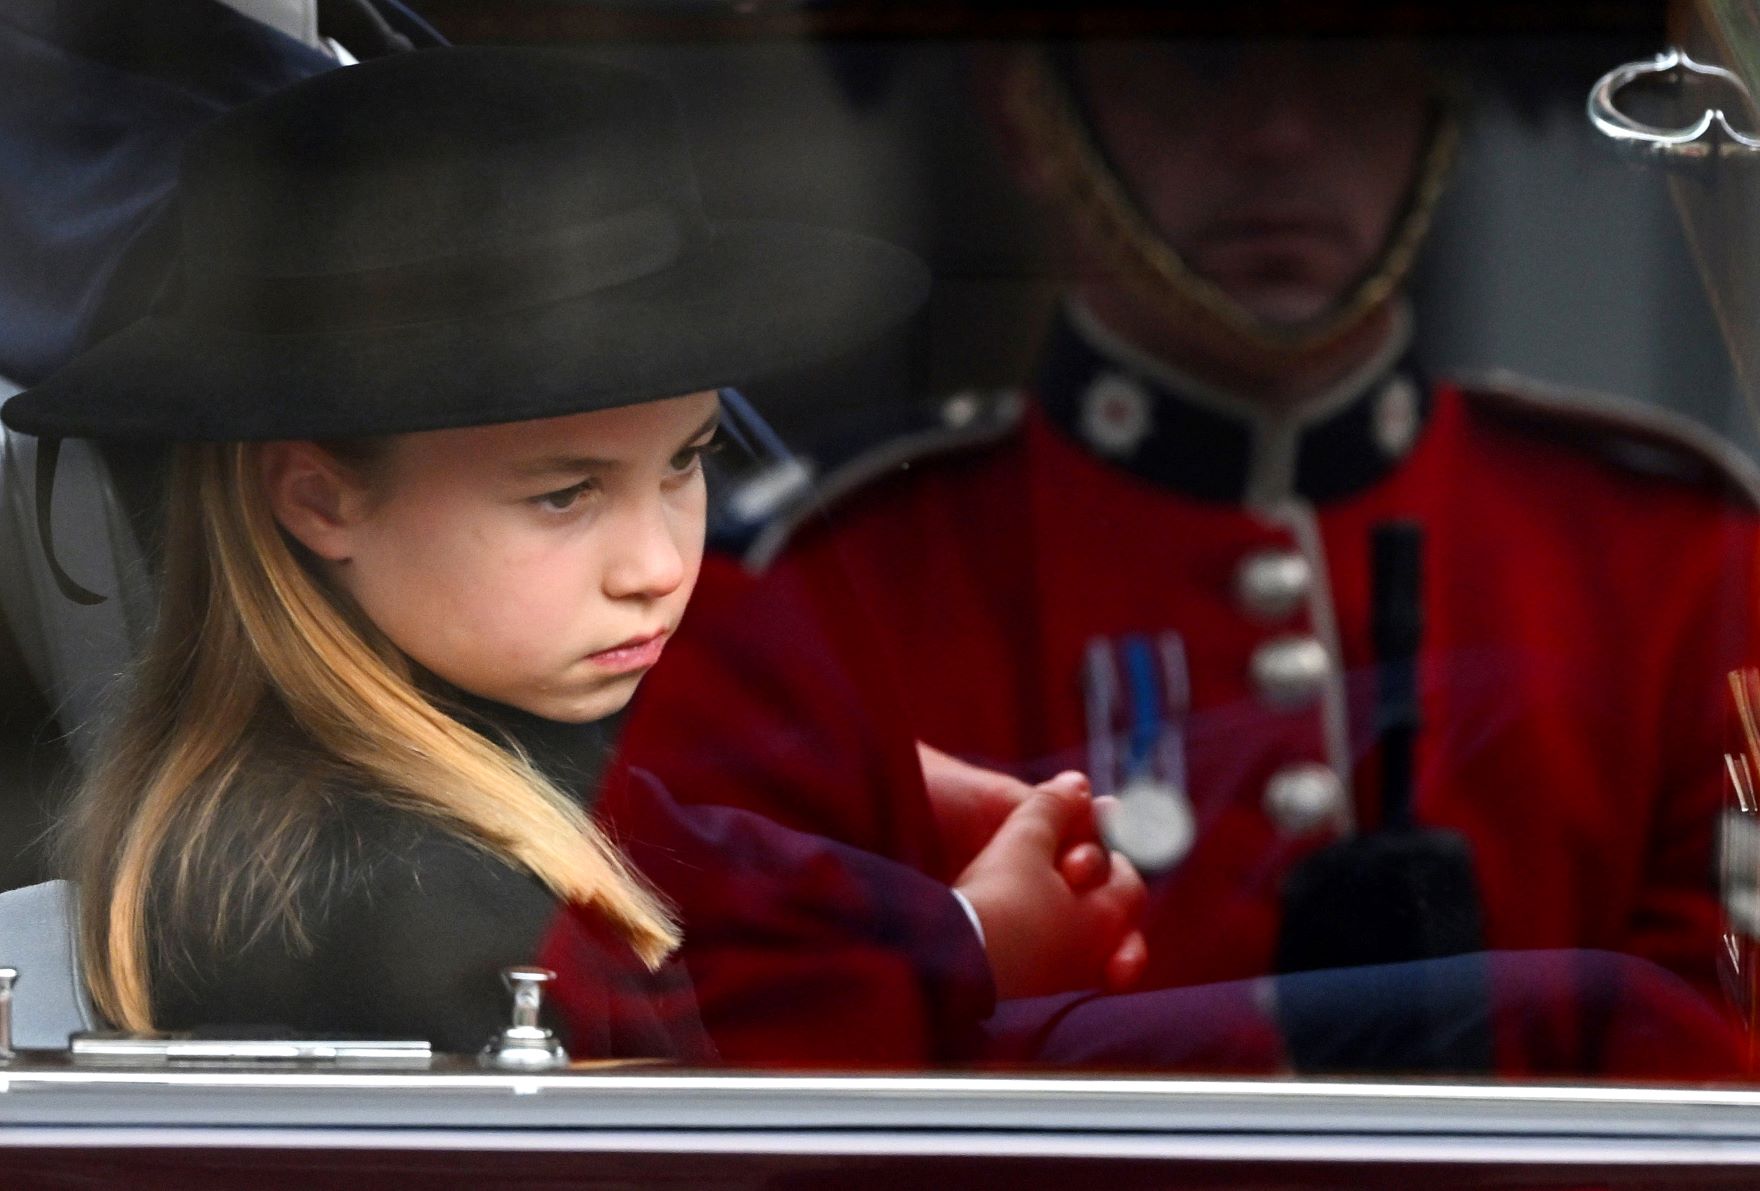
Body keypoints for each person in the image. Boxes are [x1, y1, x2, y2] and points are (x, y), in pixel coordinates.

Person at [0, 47, 1148, 1059]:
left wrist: (880, 792)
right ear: (318, 498)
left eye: (687, 461)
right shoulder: (401, 908)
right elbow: (715, 1098)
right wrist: (975, 941)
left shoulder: (463, 722)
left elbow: (673, 834)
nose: (655, 563)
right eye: (563, 496)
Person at [615, 28, 1760, 1018]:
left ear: (1436, 102)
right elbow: (759, 1060)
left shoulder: (1671, 560)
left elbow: (1712, 1066)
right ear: (1030, 112)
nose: (1280, 135)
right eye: (1200, 60)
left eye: (1348, 57)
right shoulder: (817, 585)